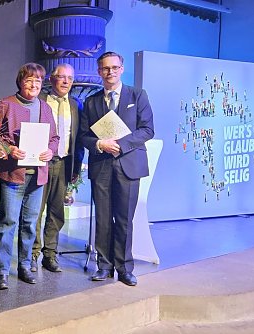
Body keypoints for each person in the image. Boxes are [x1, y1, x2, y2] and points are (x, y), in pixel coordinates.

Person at [79, 51, 154, 287]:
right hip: (101, 166)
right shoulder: (91, 101)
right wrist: (99, 144)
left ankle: (124, 268)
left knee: (124, 220)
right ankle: (103, 265)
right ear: (99, 71)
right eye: (105, 68)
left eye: (114, 67)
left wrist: (120, 145)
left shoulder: (137, 95)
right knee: (102, 218)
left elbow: (147, 130)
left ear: (122, 69)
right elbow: (83, 136)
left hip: (128, 165)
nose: (110, 72)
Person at [0, 63, 58, 290]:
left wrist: (51, 151)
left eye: (38, 81)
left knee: (29, 224)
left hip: (37, 177)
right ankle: (2, 271)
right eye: (29, 80)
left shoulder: (45, 108)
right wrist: (9, 149)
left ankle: (25, 266)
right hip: (12, 174)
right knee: (8, 223)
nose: (34, 85)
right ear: (20, 81)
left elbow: (54, 138)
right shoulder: (6, 104)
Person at [32, 64, 84, 273]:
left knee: (56, 212)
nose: (65, 82)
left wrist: (76, 168)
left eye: (69, 78)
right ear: (51, 79)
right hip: (40, 163)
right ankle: (32, 254)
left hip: (64, 163)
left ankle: (50, 254)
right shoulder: (40, 100)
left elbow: (78, 139)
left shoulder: (76, 105)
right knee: (35, 211)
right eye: (61, 77)